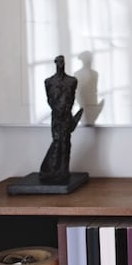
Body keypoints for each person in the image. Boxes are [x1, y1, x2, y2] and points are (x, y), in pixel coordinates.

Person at [39, 55, 83, 184]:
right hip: (57, 116)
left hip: (66, 114)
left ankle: (63, 171)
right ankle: (50, 169)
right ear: (55, 63)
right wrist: (58, 109)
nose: (61, 64)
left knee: (66, 143)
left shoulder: (72, 81)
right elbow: (49, 100)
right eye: (58, 62)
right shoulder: (48, 82)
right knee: (58, 142)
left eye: (62, 62)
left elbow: (72, 98)